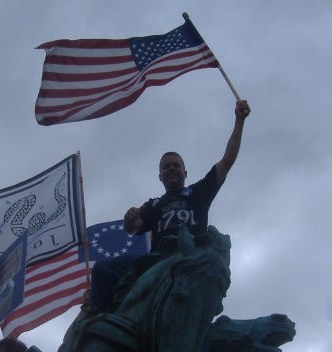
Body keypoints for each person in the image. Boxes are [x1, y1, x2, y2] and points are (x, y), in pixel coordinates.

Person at [90, 99, 251, 312]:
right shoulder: (154, 204)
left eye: (177, 166)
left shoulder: (199, 192)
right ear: (160, 176)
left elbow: (227, 160)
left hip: (191, 259)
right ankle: (101, 324)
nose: (172, 169)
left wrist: (239, 121)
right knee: (102, 269)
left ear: (185, 173)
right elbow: (133, 228)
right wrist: (128, 218)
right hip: (156, 262)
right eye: (166, 167)